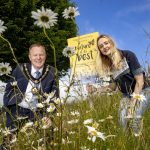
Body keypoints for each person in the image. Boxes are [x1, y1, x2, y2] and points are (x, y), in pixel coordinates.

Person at [87, 34, 150, 136]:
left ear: (112, 43)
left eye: (106, 43)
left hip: (143, 91)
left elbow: (140, 81)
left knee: (134, 117)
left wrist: (132, 103)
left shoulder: (128, 55)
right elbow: (113, 87)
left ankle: (138, 142)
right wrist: (96, 89)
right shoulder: (110, 66)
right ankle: (127, 143)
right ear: (100, 51)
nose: (104, 47)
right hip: (126, 95)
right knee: (122, 121)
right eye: (101, 46)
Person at [2, 43, 59, 144]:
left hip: (40, 112)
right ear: (30, 57)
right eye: (35, 55)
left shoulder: (52, 72)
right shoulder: (20, 68)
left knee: (47, 140)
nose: (38, 58)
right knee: (9, 141)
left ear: (45, 56)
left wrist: (49, 116)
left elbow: (55, 97)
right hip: (18, 108)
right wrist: (9, 107)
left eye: (41, 54)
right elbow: (9, 88)